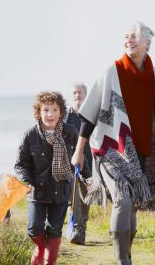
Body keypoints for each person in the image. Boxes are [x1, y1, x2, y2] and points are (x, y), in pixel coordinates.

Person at [71, 21, 155, 265]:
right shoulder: (111, 72)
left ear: (148, 42)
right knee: (123, 199)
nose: (128, 40)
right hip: (110, 149)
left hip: (142, 152)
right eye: (125, 36)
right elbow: (90, 114)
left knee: (132, 205)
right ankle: (122, 262)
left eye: (134, 36)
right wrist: (79, 151)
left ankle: (126, 255)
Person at [14, 91, 77, 265]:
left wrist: (88, 177)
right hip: (38, 191)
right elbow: (21, 164)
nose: (50, 114)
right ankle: (39, 251)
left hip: (61, 190)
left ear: (61, 112)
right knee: (34, 228)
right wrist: (27, 182)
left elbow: (81, 157)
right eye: (46, 110)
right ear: (39, 112)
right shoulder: (30, 135)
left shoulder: (70, 132)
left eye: (55, 109)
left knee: (55, 230)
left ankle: (49, 262)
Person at [65, 81, 93, 245]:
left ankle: (81, 227)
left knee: (86, 198)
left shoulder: (90, 116)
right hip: (70, 164)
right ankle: (77, 231)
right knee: (73, 197)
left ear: (85, 95)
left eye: (80, 93)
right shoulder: (65, 117)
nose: (77, 95)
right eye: (74, 93)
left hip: (90, 165)